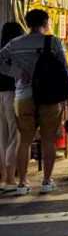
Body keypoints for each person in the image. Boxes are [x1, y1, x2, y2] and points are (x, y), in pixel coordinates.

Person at [0, 9, 68, 195]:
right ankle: (47, 181)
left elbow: (1, 61)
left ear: (27, 23)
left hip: (23, 96)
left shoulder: (14, 44)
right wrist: (67, 95)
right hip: (49, 96)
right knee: (48, 139)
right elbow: (64, 69)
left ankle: (22, 183)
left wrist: (16, 73)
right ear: (46, 22)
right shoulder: (53, 41)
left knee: (24, 140)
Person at [0, 22, 24, 192]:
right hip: (12, 94)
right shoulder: (15, 51)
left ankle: (3, 177)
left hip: (0, 95)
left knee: (2, 136)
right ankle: (10, 178)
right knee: (15, 136)